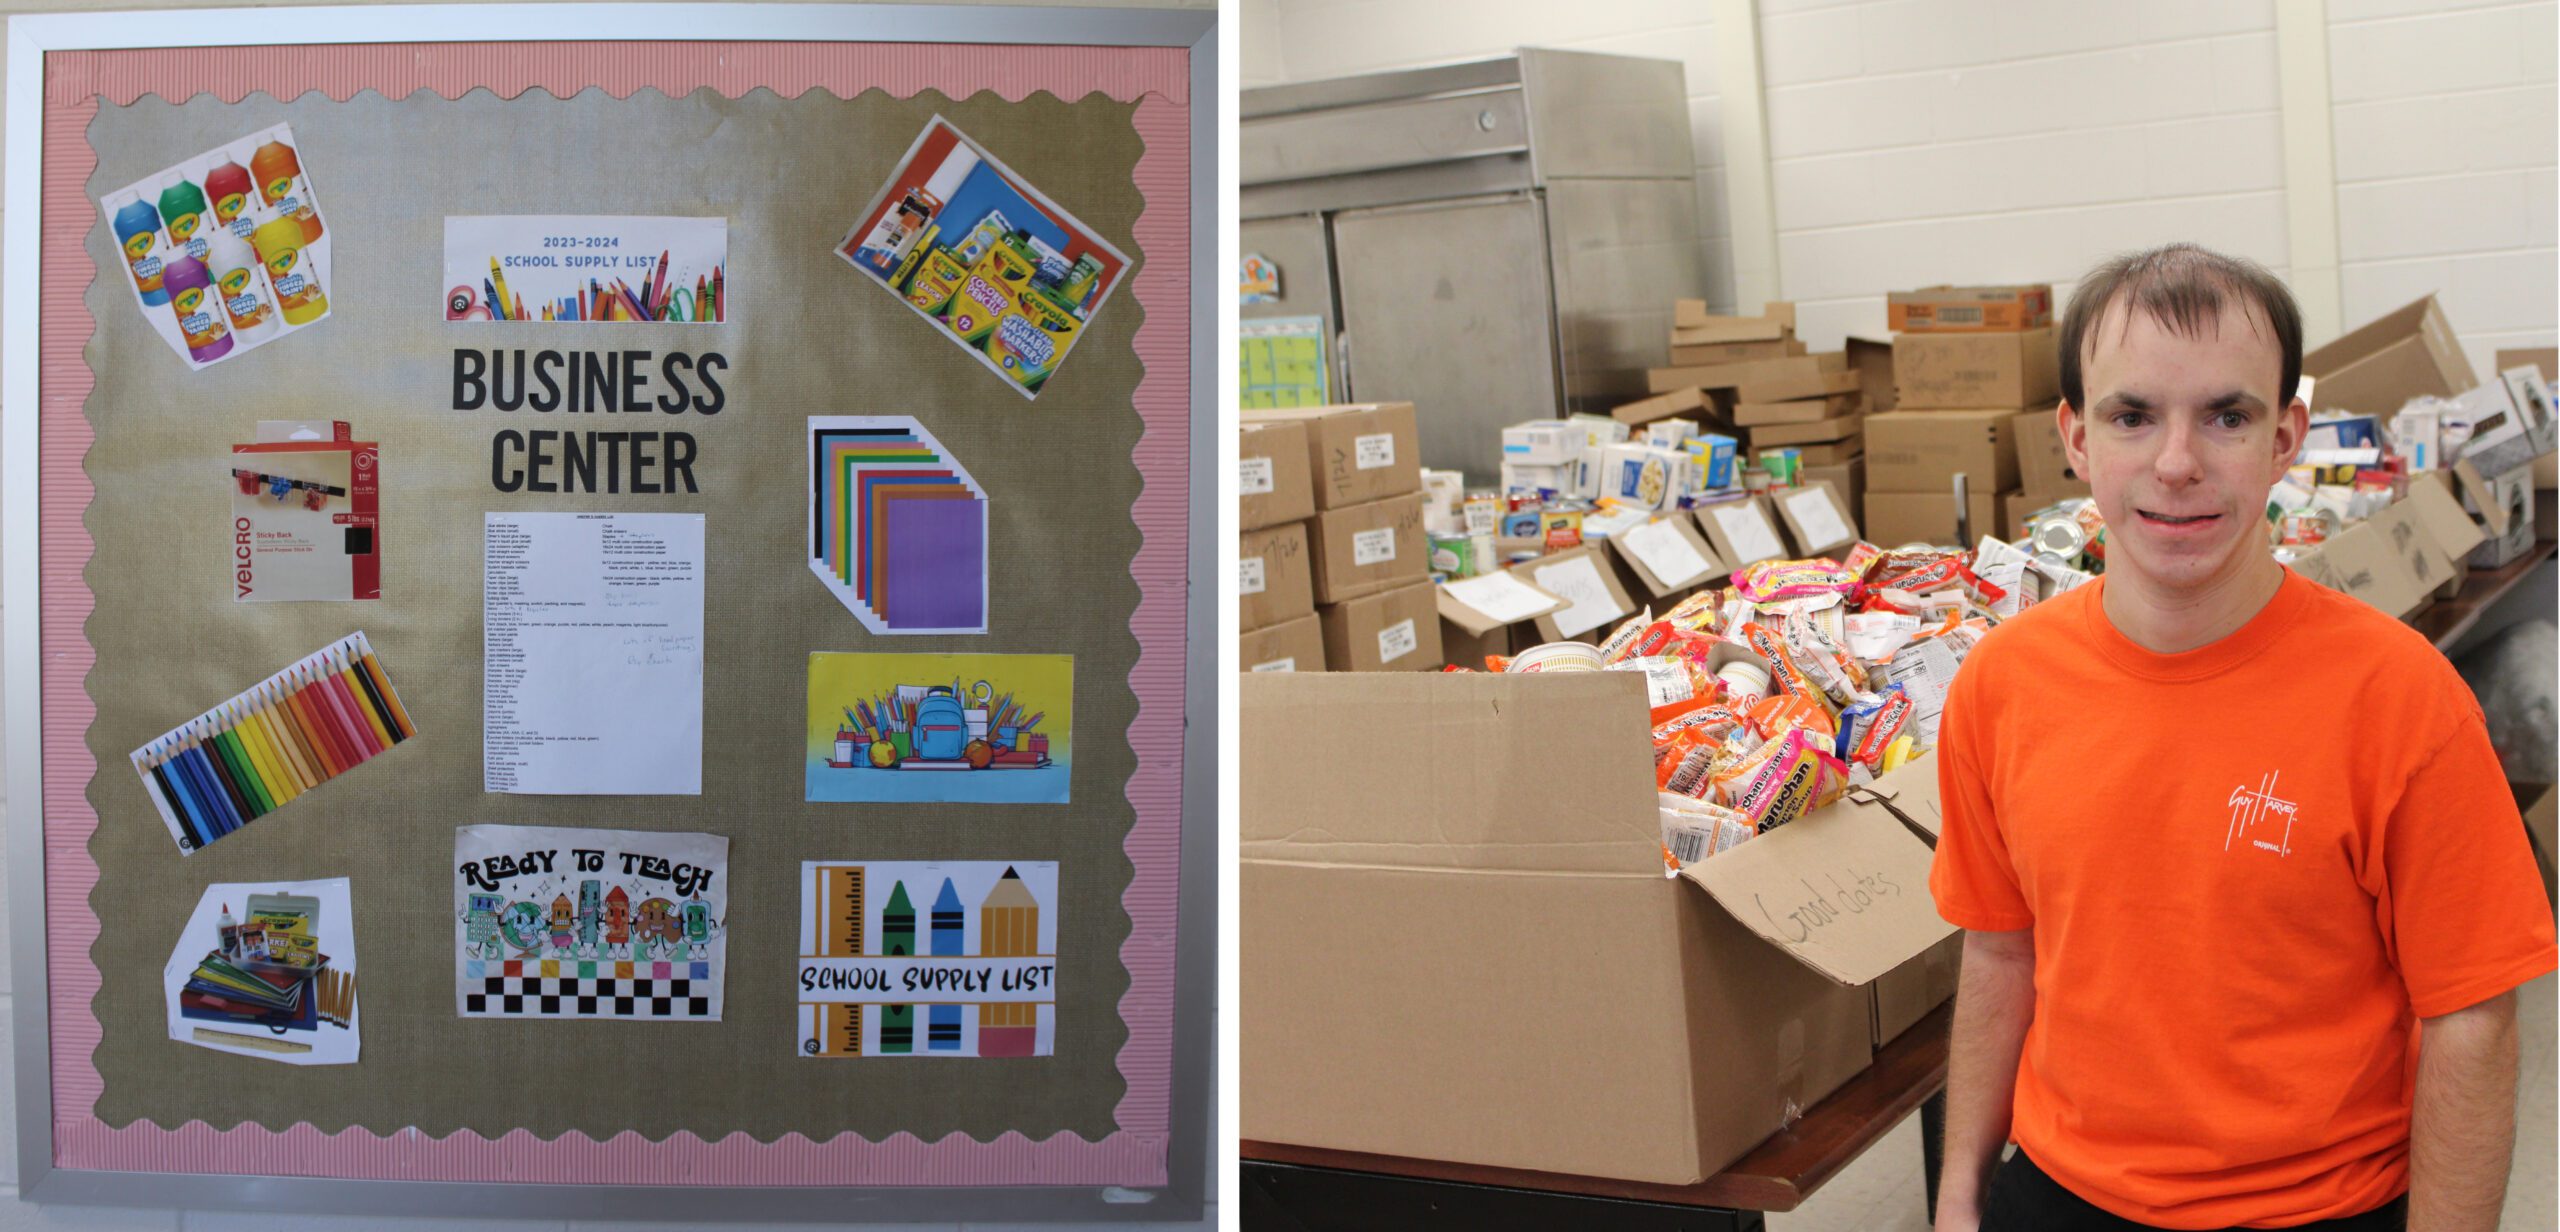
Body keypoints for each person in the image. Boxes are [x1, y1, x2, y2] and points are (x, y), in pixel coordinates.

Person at [1927, 243, 2556, 1232]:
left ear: (2285, 437)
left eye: (2226, 415)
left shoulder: (2400, 698)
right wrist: (1960, 1189)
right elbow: (2000, 952)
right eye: (2132, 415)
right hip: (2062, 1191)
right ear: (2076, 437)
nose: (2177, 464)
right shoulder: (2000, 687)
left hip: (2319, 1204)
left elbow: (2471, 1016)